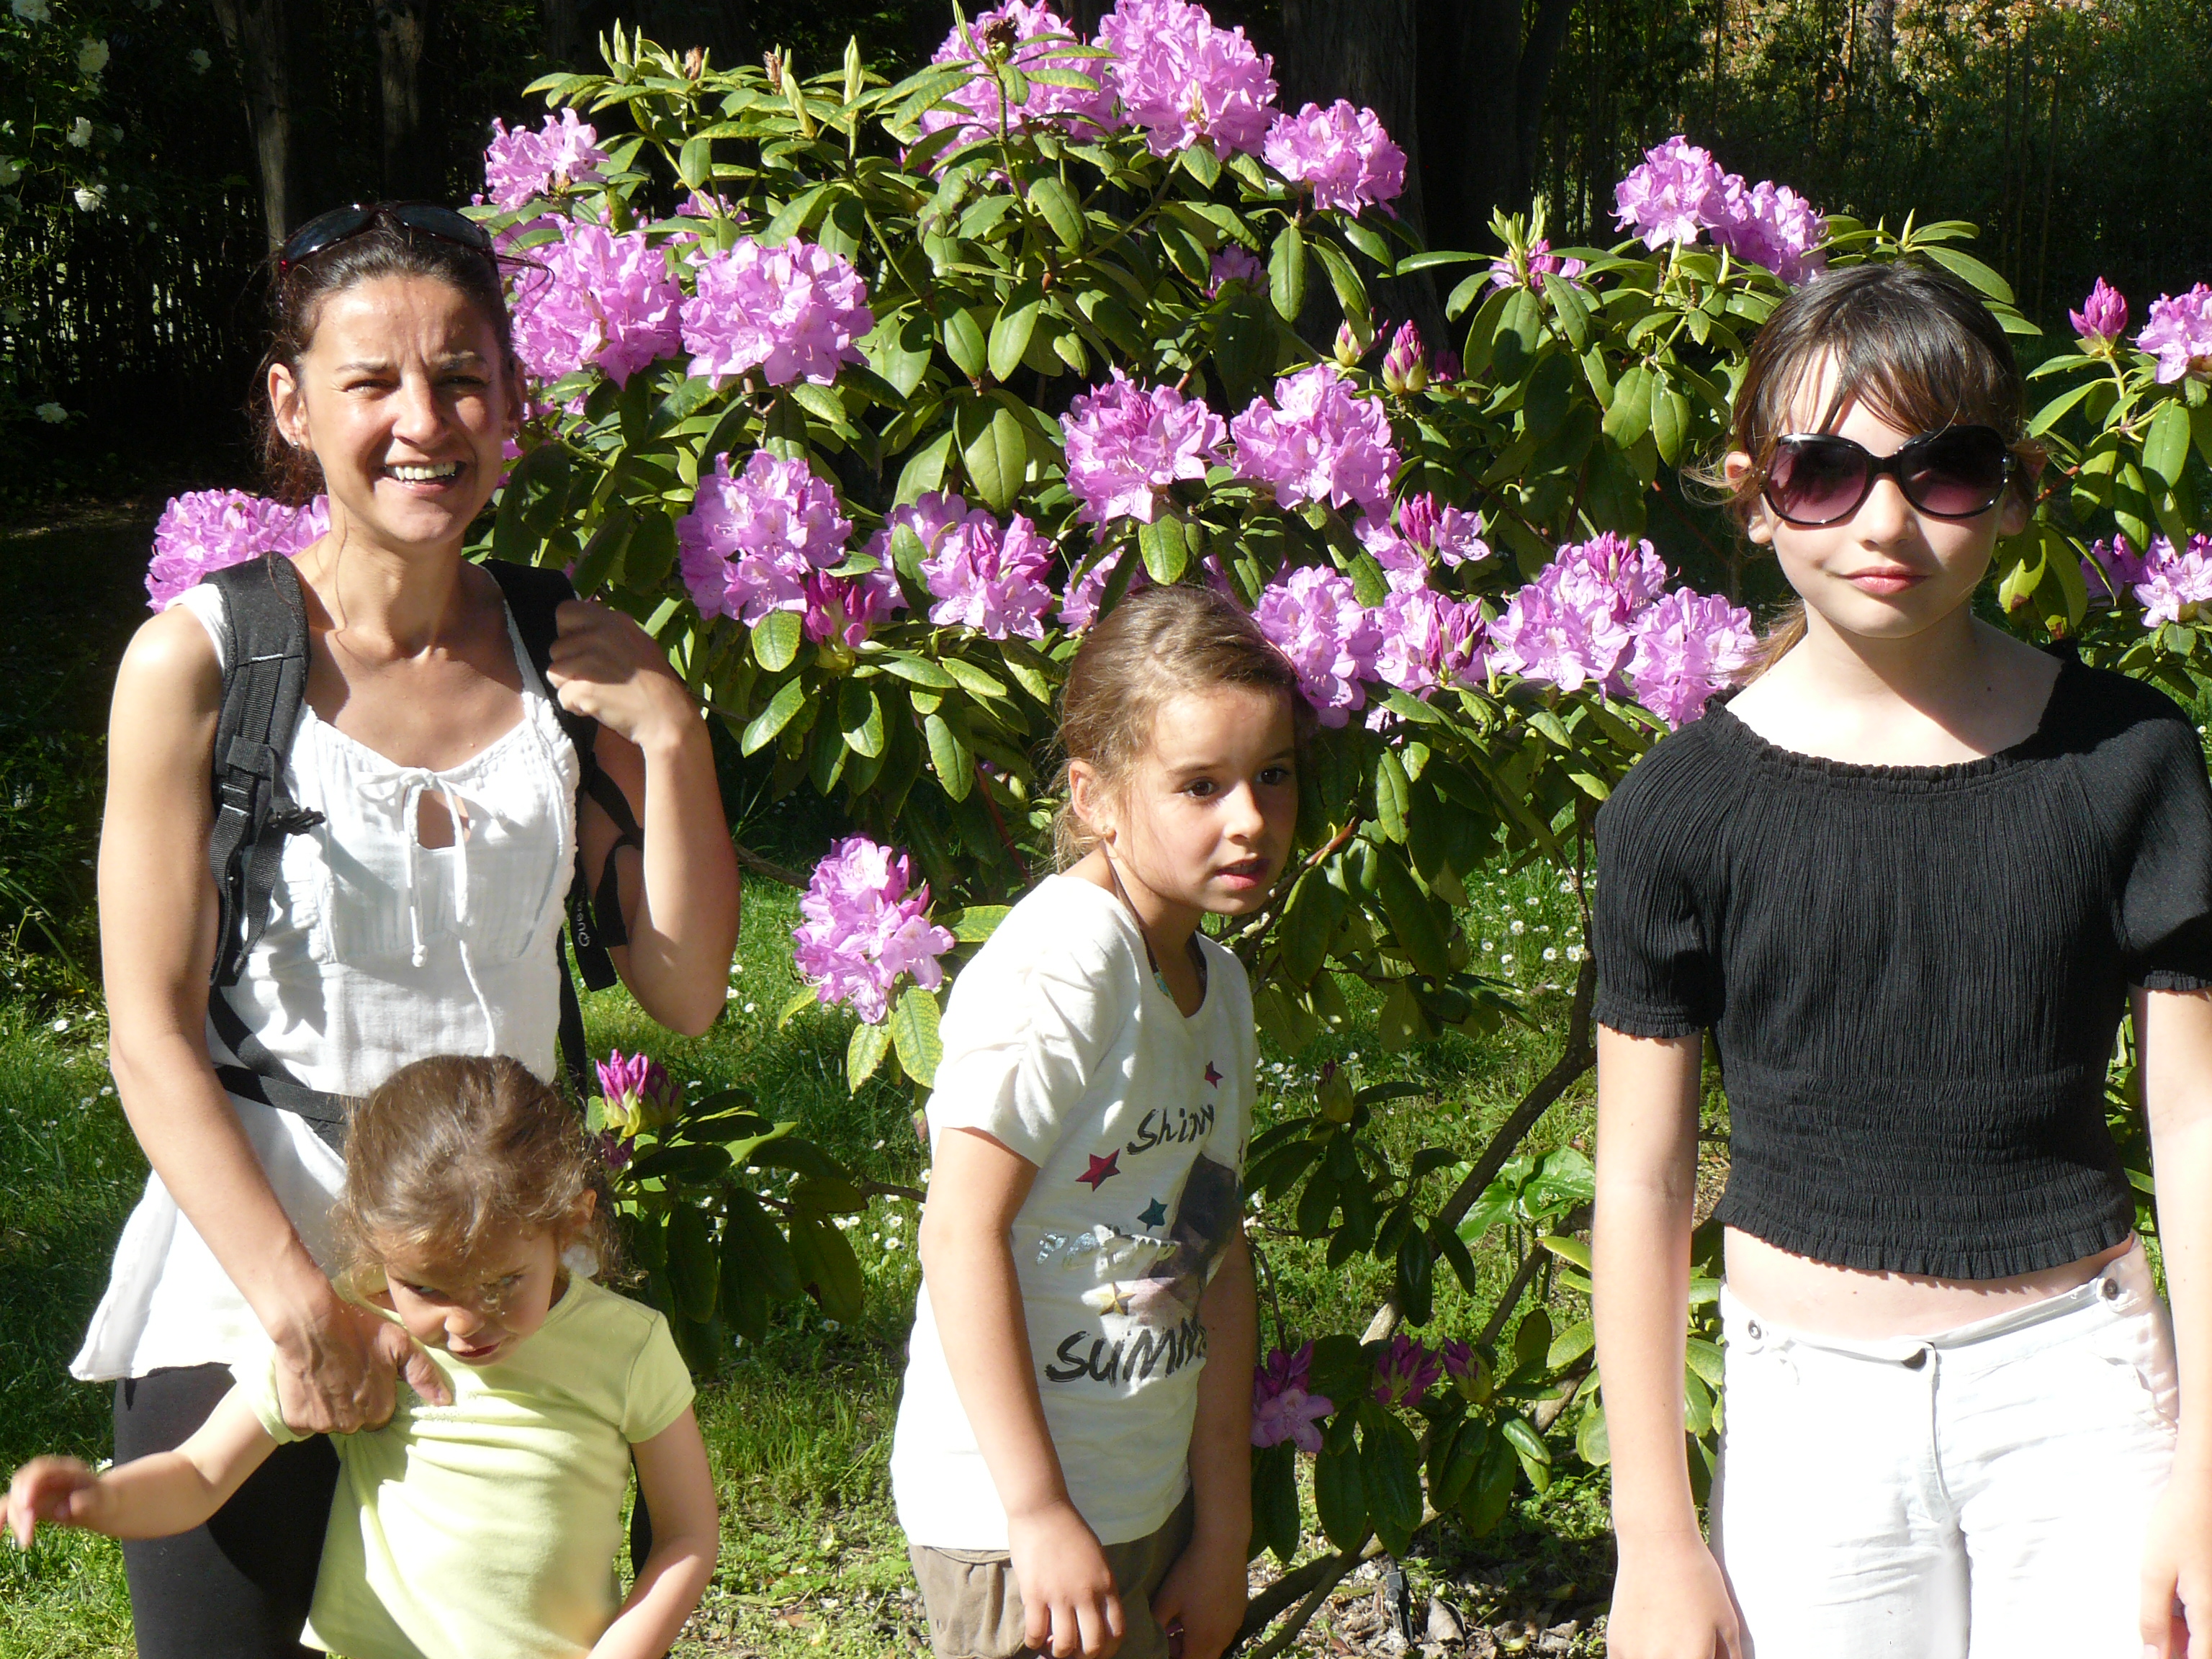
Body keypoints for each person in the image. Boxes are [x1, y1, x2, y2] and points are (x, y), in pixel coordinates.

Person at [74, 201, 741, 1656]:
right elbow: (147, 1033)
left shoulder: (570, 657)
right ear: (292, 404)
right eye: (372, 381)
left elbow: (686, 988)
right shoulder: (200, 666)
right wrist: (299, 1307)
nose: (423, 421)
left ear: (512, 398)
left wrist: (672, 735)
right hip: (248, 1279)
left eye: (459, 376)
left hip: (499, 1296)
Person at [1590, 258, 2212, 1659]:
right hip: (1809, 1424)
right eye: (1823, 472)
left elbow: (2196, 1119)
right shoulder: (1676, 813)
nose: (1883, 520)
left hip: (2084, 1398)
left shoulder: (2128, 764)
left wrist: (2207, 1468)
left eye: (1944, 469)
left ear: (2016, 487)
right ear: (1754, 493)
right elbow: (1639, 1178)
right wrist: (1654, 1537)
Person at [889, 584, 1300, 1659]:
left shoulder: (1219, 987)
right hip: (1012, 1527)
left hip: (1142, 1497)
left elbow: (1213, 1257)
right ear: (1095, 795)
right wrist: (1036, 1512)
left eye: (1272, 774)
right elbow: (958, 1232)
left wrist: (1223, 1531)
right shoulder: (1066, 964)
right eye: (1200, 786)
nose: (1250, 819)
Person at [12, 1054, 719, 1659]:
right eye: (427, 1288)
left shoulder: (627, 1346)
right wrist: (100, 1498)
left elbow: (686, 1535)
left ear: (570, 1223)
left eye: (505, 1283)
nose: (465, 1324)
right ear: (374, 1247)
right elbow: (199, 1475)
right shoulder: (355, 1340)